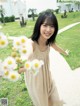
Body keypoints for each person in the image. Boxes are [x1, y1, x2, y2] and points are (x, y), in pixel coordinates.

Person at [18, 10, 80, 106]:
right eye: (45, 25)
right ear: (39, 25)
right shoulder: (31, 43)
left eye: (52, 26)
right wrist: (16, 68)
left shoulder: (48, 41)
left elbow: (57, 48)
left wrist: (65, 53)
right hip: (36, 82)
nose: (48, 29)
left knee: (56, 101)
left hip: (47, 77)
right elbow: (26, 57)